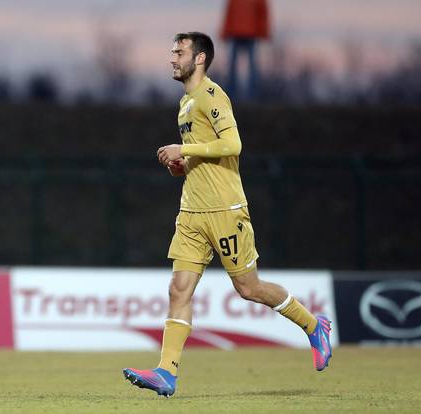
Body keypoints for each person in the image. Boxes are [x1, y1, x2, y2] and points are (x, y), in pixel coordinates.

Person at [122, 32, 331, 398]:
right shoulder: (185, 103)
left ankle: (314, 326)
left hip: (225, 210)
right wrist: (181, 165)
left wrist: (184, 147)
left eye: (179, 52)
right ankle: (166, 372)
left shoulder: (212, 95)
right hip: (191, 213)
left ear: (199, 58)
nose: (172, 57)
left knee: (249, 288)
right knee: (178, 289)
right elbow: (204, 157)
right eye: (172, 51)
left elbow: (233, 144)